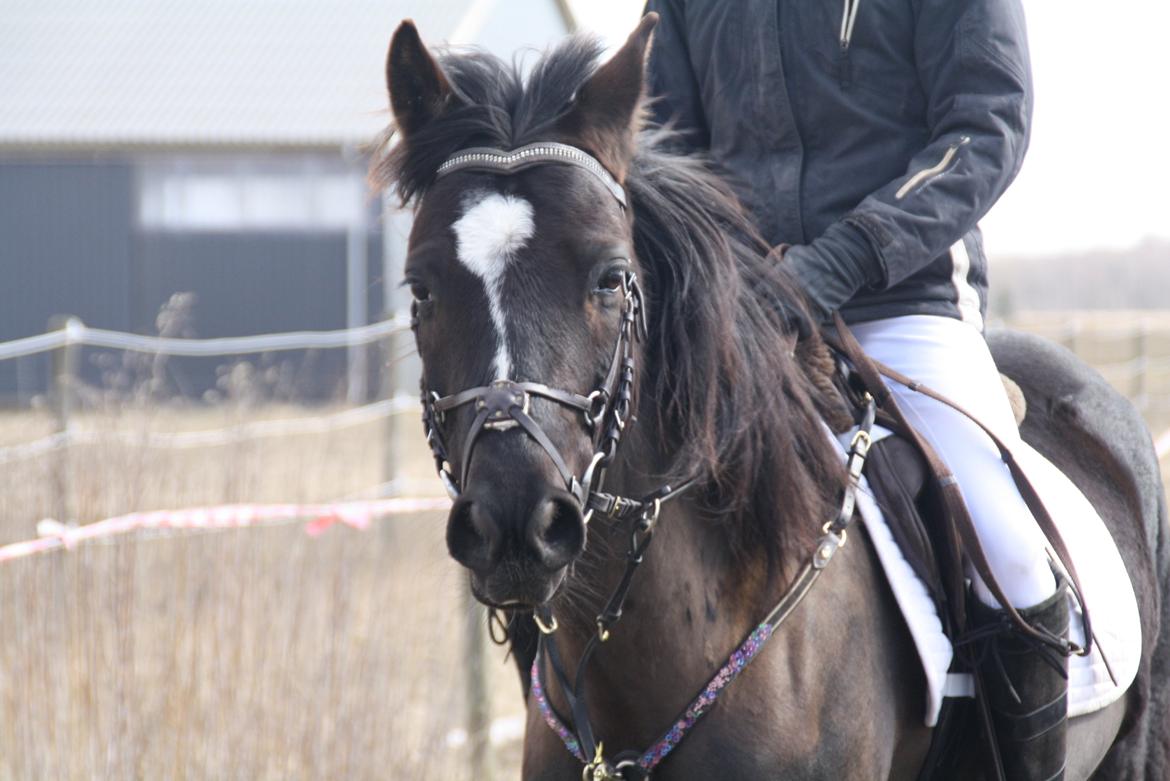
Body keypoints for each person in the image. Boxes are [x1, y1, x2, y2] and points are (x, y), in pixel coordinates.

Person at [644, 1, 1071, 777]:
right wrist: (732, 282)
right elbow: (662, 149)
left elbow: (987, 125)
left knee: (1010, 554)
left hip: (905, 302)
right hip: (740, 313)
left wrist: (839, 261)